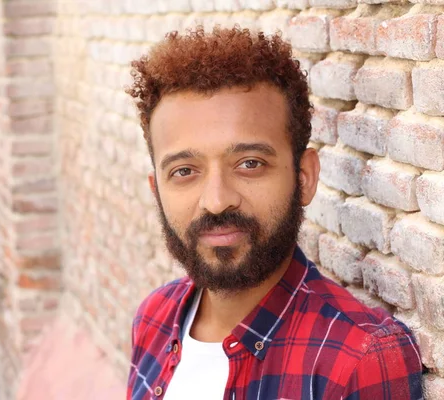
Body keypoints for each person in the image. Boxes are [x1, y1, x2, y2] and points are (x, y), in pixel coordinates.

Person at [125, 26, 423, 400]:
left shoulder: (357, 357)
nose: (217, 201)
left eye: (249, 163)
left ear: (305, 178)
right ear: (157, 191)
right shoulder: (154, 317)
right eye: (184, 171)